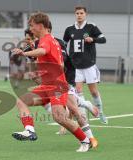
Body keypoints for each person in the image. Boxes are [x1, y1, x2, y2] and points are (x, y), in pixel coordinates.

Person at [12, 12, 91, 152]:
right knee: (21, 101)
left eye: (32, 26)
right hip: (48, 85)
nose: (31, 29)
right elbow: (46, 56)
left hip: (57, 86)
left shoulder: (46, 40)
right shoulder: (49, 39)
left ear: (41, 26)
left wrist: (24, 53)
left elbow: (42, 51)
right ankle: (29, 130)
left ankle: (85, 140)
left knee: (60, 118)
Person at [63, 6, 108, 124]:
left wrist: (93, 39)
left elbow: (103, 39)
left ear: (85, 14)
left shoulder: (91, 27)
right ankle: (83, 118)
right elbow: (64, 44)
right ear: (75, 14)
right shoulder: (69, 29)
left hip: (88, 65)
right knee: (78, 92)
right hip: (76, 66)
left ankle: (101, 112)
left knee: (93, 92)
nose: (79, 15)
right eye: (77, 13)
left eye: (81, 13)